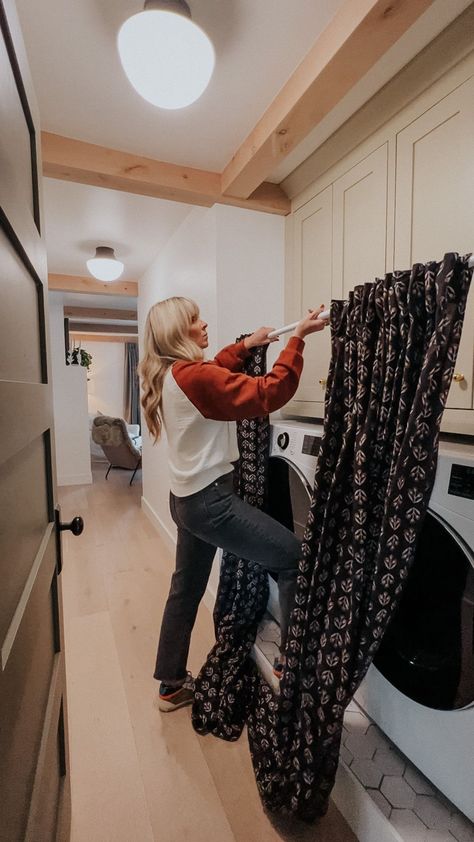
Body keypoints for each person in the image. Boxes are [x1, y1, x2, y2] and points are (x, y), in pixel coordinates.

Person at [139, 297, 328, 711]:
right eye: (195, 321)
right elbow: (271, 391)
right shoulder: (194, 375)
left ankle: (170, 686)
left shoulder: (172, 373)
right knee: (294, 558)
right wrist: (296, 340)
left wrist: (246, 348)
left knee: (185, 590)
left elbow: (217, 371)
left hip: (185, 500)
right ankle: (291, 666)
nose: (205, 325)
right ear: (177, 334)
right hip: (210, 503)